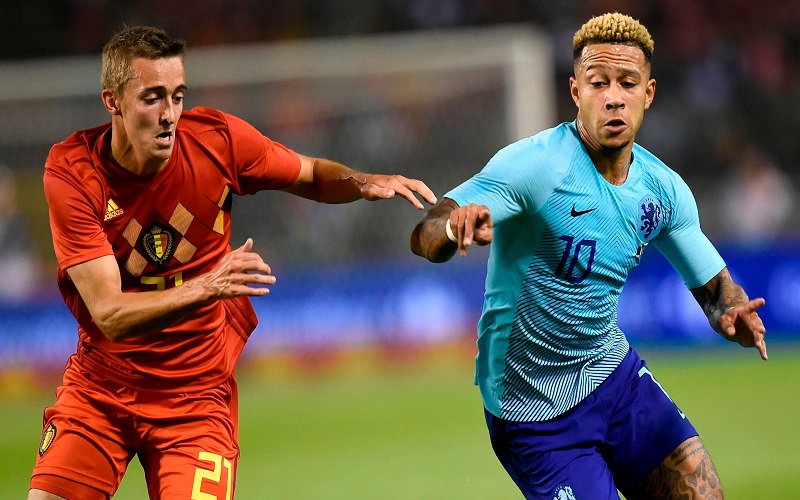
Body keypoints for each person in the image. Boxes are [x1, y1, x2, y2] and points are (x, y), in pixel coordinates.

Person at [29, 26, 436, 500]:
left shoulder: (217, 141)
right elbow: (110, 314)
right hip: (102, 390)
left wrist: (362, 181)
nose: (169, 115)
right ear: (112, 101)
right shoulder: (73, 172)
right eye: (152, 98)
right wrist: (209, 285)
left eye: (178, 96)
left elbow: (309, 173)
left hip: (196, 401)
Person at [411, 12, 766, 499]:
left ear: (648, 93)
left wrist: (730, 309)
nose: (614, 97)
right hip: (531, 410)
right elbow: (426, 233)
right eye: (599, 83)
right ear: (576, 91)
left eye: (627, 83)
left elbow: (715, 289)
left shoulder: (664, 191)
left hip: (612, 375)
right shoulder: (535, 166)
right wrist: (455, 226)